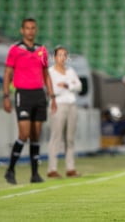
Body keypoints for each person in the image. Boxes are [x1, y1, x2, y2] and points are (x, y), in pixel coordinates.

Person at [2, 18, 57, 184]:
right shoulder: (15, 50)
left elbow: (46, 74)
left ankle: (35, 174)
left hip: (39, 95)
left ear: (36, 30)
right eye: (27, 28)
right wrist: (6, 96)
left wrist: (52, 96)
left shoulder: (41, 50)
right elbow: (7, 73)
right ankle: (10, 170)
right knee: (24, 134)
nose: (30, 31)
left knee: (35, 136)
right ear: (22, 30)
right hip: (23, 94)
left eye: (33, 28)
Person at [47, 46, 82, 178]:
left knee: (70, 138)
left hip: (71, 104)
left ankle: (70, 168)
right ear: (55, 57)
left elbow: (79, 86)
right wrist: (69, 85)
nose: (63, 57)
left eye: (65, 55)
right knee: (56, 137)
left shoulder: (70, 71)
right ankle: (52, 169)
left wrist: (67, 85)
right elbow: (53, 90)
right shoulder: (50, 72)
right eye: (60, 55)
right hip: (58, 104)